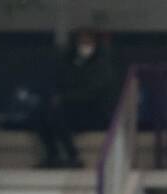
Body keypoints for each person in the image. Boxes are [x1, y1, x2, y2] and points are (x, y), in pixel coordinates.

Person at [36, 29, 115, 168]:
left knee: (56, 115)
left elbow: (94, 92)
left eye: (88, 43)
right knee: (43, 116)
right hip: (67, 110)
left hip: (91, 112)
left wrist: (66, 98)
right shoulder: (69, 62)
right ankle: (52, 155)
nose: (85, 46)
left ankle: (72, 156)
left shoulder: (100, 64)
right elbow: (58, 82)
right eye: (81, 43)